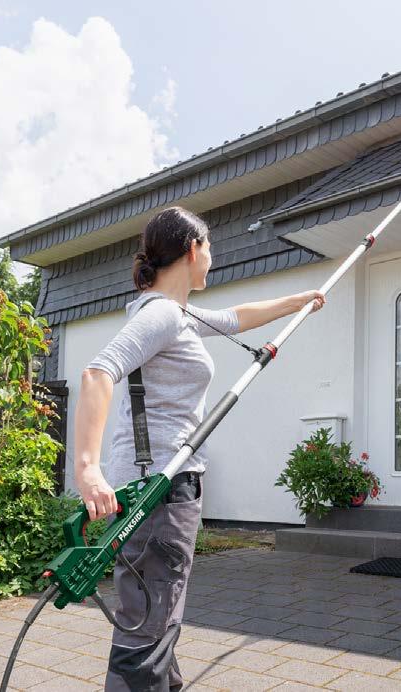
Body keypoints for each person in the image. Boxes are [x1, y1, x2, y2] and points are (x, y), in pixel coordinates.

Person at [73, 206, 325, 691]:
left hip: (164, 483)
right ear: (193, 249)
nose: (212, 258)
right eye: (210, 248)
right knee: (149, 624)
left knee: (156, 613)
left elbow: (235, 318)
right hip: (159, 488)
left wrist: (299, 301)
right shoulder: (163, 314)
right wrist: (87, 469)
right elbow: (97, 373)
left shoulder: (175, 313)